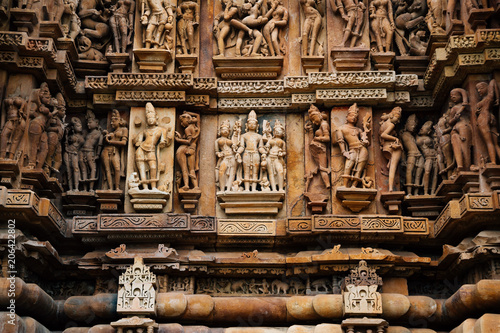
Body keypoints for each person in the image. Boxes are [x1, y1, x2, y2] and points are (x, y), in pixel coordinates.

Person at [133, 103, 171, 191]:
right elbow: (136, 140)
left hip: (151, 150)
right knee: (141, 169)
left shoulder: (162, 130)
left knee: (153, 167)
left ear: (156, 118)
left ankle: (153, 187)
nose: (150, 120)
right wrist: (137, 141)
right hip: (141, 149)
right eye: (148, 118)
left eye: (152, 118)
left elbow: (164, 141)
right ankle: (145, 187)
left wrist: (163, 142)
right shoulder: (145, 131)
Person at [336, 103, 371, 188]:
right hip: (352, 149)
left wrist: (365, 141)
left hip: (362, 149)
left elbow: (365, 140)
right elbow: (341, 141)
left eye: (356, 117)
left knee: (359, 168)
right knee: (348, 166)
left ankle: (354, 186)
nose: (354, 117)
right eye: (351, 115)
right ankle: (345, 185)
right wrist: (344, 152)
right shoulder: (341, 128)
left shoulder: (358, 129)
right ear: (347, 117)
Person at [237, 110, 266, 191]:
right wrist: (238, 152)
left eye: (254, 124)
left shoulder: (259, 136)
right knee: (246, 172)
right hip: (246, 154)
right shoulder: (244, 136)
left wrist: (264, 153)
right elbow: (242, 146)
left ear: (257, 125)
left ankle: (253, 189)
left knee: (255, 172)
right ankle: (246, 189)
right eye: (250, 123)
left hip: (256, 154)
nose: (252, 125)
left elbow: (260, 147)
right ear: (247, 125)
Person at [304, 104, 330, 190]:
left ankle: (327, 184)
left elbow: (327, 138)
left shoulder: (324, 125)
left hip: (321, 149)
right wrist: (310, 130)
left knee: (322, 169)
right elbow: (312, 140)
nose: (314, 122)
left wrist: (318, 138)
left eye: (314, 120)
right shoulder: (321, 125)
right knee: (320, 167)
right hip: (318, 149)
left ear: (318, 116)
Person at [101, 110, 128, 191]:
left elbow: (123, 142)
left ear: (120, 121)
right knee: (107, 169)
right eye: (111, 121)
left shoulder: (124, 130)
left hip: (115, 150)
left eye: (114, 121)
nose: (112, 123)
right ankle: (110, 188)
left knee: (117, 168)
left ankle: (117, 187)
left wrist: (110, 141)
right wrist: (105, 136)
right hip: (106, 151)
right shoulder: (111, 132)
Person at [475, 80, 500, 165]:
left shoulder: (488, 98)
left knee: (489, 142)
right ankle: (495, 160)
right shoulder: (489, 99)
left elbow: (492, 81)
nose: (479, 91)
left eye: (481, 88)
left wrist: (498, 98)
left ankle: (493, 161)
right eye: (477, 89)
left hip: (483, 119)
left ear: (487, 88)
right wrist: (497, 98)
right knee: (495, 143)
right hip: (491, 117)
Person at [379, 107, 402, 191]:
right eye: (397, 118)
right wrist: (395, 139)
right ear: (392, 115)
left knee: (391, 165)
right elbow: (383, 135)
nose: (398, 121)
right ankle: (391, 188)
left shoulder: (383, 124)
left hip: (385, 147)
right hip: (392, 147)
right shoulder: (391, 125)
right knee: (393, 167)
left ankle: (389, 164)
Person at [448, 88, 472, 172]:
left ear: (461, 96)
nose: (453, 97)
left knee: (465, 146)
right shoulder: (454, 109)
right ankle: (460, 165)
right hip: (456, 128)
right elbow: (450, 122)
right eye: (451, 96)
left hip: (464, 126)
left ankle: (467, 166)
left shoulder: (466, 106)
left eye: (455, 95)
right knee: (456, 145)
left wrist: (465, 104)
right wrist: (455, 118)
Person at [175, 111, 200, 190]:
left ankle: (186, 185)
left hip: (185, 148)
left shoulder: (187, 129)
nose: (182, 124)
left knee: (184, 168)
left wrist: (178, 140)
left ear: (187, 119)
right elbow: (198, 115)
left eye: (182, 121)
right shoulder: (196, 128)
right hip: (192, 149)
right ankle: (195, 186)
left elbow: (188, 141)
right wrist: (188, 112)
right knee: (191, 169)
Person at [401, 114, 424, 195]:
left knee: (418, 175)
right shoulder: (403, 134)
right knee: (409, 172)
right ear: (406, 124)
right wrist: (403, 159)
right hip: (411, 155)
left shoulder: (414, 136)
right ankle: (409, 192)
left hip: (420, 155)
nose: (413, 126)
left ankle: (416, 192)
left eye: (415, 125)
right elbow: (402, 149)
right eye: (411, 124)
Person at [0, 96, 26, 160]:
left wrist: (22, 111)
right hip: (9, 120)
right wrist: (1, 126)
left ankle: (11, 157)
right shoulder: (5, 101)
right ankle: (2, 156)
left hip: (19, 120)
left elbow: (27, 114)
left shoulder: (23, 100)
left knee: (15, 139)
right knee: (3, 135)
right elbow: (3, 114)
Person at [215, 120, 237, 192]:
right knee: (221, 171)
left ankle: (228, 189)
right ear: (220, 131)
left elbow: (234, 147)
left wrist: (234, 148)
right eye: (223, 130)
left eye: (227, 130)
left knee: (232, 173)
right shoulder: (217, 140)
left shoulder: (230, 140)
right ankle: (222, 189)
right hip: (224, 157)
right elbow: (216, 151)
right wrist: (219, 154)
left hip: (231, 156)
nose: (225, 131)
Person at [265, 120, 286, 191]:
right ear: (273, 132)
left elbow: (284, 151)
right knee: (271, 174)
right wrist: (267, 149)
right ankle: (273, 189)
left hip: (278, 158)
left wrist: (282, 154)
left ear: (283, 133)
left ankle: (280, 188)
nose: (277, 132)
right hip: (270, 157)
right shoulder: (271, 139)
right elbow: (267, 147)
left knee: (280, 171)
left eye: (279, 130)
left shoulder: (282, 142)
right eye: (276, 130)